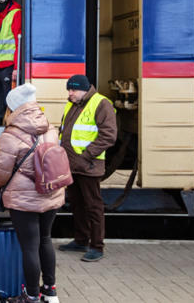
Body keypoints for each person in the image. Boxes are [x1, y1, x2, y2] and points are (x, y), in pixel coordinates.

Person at [0, 83, 65, 303]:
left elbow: (0, 175)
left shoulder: (11, 135)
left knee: (29, 247)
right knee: (45, 240)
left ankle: (31, 295)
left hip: (24, 200)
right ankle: (50, 292)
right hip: (51, 194)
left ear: (13, 108)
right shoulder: (50, 127)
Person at [57, 74, 117, 263]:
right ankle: (81, 240)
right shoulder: (73, 103)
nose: (70, 93)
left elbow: (109, 135)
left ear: (84, 89)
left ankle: (97, 246)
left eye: (73, 90)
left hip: (88, 165)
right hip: (72, 164)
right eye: (69, 89)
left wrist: (86, 155)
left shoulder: (101, 104)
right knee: (77, 204)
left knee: (93, 206)